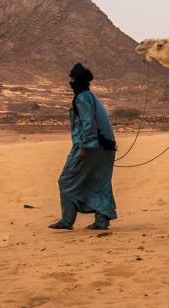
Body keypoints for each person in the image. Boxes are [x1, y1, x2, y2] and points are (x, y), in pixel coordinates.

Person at [48, 63, 118, 231]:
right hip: (105, 146)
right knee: (100, 181)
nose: (70, 82)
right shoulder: (91, 96)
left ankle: (67, 219)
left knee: (66, 180)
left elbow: (88, 123)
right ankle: (101, 220)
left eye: (72, 79)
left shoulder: (82, 98)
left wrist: (85, 148)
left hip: (91, 146)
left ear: (77, 80)